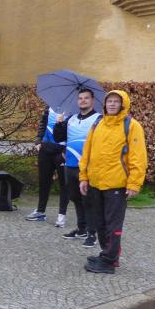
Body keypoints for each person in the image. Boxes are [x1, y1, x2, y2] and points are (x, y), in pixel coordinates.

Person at [79, 90, 147, 274]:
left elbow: (138, 157)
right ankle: (107, 254)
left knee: (113, 225)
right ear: (105, 104)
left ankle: (110, 261)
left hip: (116, 185)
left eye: (116, 101)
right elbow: (87, 152)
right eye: (109, 101)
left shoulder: (132, 126)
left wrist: (134, 183)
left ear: (123, 105)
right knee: (99, 223)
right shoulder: (98, 123)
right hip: (96, 183)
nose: (112, 104)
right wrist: (83, 177)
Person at [53, 88, 101, 247]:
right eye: (80, 98)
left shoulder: (98, 119)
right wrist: (59, 124)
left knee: (89, 200)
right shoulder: (71, 118)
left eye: (86, 98)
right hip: (70, 166)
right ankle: (82, 229)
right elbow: (59, 138)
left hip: (87, 168)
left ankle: (92, 233)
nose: (83, 101)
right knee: (75, 198)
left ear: (92, 100)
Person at [25, 106, 69, 227]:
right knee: (44, 181)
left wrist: (66, 150)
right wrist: (39, 140)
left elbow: (74, 132)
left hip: (61, 150)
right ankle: (40, 211)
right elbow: (43, 123)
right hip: (46, 148)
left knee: (64, 183)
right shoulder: (49, 106)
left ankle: (61, 215)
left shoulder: (72, 109)